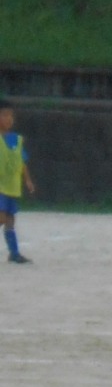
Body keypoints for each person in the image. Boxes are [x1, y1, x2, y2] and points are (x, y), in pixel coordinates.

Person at [0, 98, 36, 264]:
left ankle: (14, 253)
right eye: (4, 115)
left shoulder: (16, 139)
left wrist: (28, 180)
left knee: (10, 219)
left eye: (11, 115)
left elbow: (22, 162)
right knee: (2, 217)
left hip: (12, 187)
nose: (9, 119)